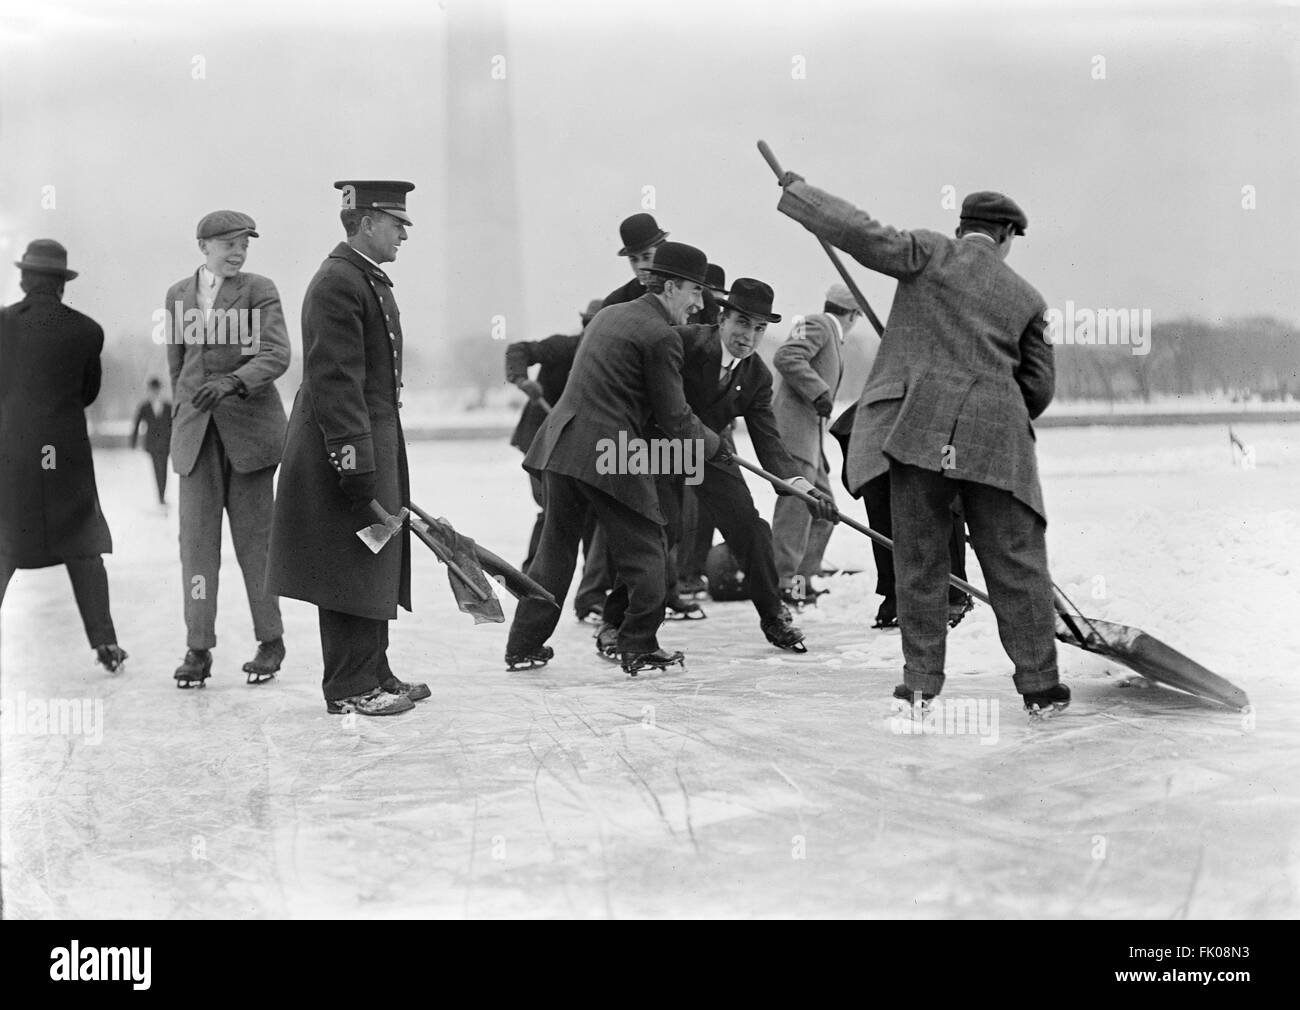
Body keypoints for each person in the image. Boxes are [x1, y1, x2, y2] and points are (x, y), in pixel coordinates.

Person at [776, 174, 1068, 716]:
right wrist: (988, 412)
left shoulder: (928, 254)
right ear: (1006, 237)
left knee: (919, 560)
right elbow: (1038, 388)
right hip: (995, 442)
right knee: (1015, 563)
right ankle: (1041, 686)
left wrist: (800, 195)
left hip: (916, 435)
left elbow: (860, 233)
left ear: (961, 230)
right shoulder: (1030, 298)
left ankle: (920, 685)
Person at [505, 241, 724, 677]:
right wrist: (717, 448)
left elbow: (643, 341)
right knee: (647, 549)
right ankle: (638, 644)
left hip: (562, 448)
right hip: (609, 454)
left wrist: (702, 336)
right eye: (695, 292)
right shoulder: (660, 336)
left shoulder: (611, 315)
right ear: (672, 287)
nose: (700, 304)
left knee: (555, 552)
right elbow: (676, 419)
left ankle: (524, 645)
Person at [266, 180, 430, 717]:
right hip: (345, 445)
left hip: (370, 440)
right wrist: (355, 463)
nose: (404, 234)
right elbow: (336, 381)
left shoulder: (362, 278)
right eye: (396, 224)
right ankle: (350, 685)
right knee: (351, 563)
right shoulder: (339, 282)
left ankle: (374, 669)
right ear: (365, 224)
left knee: (373, 556)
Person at [666, 277, 837, 653]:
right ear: (723, 318)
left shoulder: (757, 375)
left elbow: (769, 443)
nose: (749, 336)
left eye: (760, 328)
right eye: (742, 323)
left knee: (752, 529)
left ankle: (773, 616)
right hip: (659, 446)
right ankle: (618, 624)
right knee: (658, 532)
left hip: (710, 452)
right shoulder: (686, 342)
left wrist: (803, 488)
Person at [163, 210, 290, 689]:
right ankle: (198, 649)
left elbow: (276, 353)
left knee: (257, 545)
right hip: (195, 438)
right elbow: (177, 369)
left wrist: (234, 382)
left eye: (244, 245)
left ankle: (270, 640)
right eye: (228, 245)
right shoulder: (177, 294)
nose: (238, 253)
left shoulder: (259, 289)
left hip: (250, 437)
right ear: (203, 247)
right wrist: (185, 418)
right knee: (196, 547)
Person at [0, 240, 127, 672]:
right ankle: (106, 644)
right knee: (82, 547)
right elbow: (87, 394)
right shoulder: (87, 331)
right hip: (64, 459)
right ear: (61, 286)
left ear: (22, 279)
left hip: (10, 456)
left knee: (3, 545)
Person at [505, 298, 612, 621]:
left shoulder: (608, 358)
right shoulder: (564, 348)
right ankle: (528, 581)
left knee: (592, 511)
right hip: (540, 440)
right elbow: (519, 349)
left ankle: (591, 595)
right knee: (552, 509)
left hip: (572, 445)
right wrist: (523, 380)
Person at [770, 283, 861, 606]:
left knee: (824, 512)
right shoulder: (818, 323)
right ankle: (787, 586)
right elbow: (787, 356)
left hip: (811, 441)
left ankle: (804, 580)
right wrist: (819, 391)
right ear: (853, 314)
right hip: (795, 436)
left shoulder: (830, 334)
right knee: (796, 512)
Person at [601, 213, 668, 308]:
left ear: (663, 251)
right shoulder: (617, 303)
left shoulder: (686, 290)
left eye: (646, 257)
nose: (640, 267)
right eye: (633, 259)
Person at [129, 376, 172, 510]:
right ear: (149, 391)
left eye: (156, 390)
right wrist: (133, 442)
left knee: (163, 469)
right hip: (152, 444)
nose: (154, 392)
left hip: (165, 443)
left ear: (160, 390)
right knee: (157, 469)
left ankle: (162, 496)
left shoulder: (168, 406)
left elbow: (174, 425)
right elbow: (136, 424)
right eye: (152, 390)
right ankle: (160, 496)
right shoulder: (145, 406)